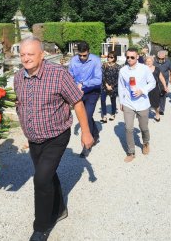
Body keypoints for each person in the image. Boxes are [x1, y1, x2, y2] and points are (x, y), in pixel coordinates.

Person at [14, 37, 94, 241]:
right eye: (22, 54)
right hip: (33, 139)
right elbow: (19, 104)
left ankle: (40, 228)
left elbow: (77, 102)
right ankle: (59, 209)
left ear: (42, 55)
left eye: (31, 54)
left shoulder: (58, 75)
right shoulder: (17, 77)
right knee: (47, 176)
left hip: (56, 136)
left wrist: (85, 132)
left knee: (40, 180)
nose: (26, 58)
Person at [118, 48, 156, 163]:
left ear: (137, 57)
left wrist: (142, 91)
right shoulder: (123, 70)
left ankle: (145, 142)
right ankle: (131, 152)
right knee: (128, 128)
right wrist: (121, 101)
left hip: (143, 103)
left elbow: (152, 83)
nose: (129, 59)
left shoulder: (144, 69)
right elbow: (121, 86)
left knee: (143, 127)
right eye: (127, 57)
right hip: (128, 103)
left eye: (132, 57)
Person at [69, 41, 102, 157]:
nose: (82, 58)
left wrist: (83, 84)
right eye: (80, 55)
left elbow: (98, 80)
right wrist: (75, 87)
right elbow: (70, 76)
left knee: (87, 116)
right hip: (79, 92)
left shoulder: (96, 60)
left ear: (89, 52)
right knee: (86, 115)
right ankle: (96, 134)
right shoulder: (73, 61)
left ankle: (87, 146)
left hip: (93, 92)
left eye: (85, 55)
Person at [145, 56, 168, 122]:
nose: (148, 62)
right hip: (145, 88)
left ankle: (157, 113)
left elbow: (161, 78)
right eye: (147, 61)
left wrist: (165, 86)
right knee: (144, 102)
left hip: (155, 88)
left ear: (153, 62)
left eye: (150, 61)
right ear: (145, 62)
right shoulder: (143, 69)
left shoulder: (157, 69)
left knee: (156, 104)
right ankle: (144, 116)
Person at [100, 51, 121, 123]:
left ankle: (113, 114)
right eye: (108, 56)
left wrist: (111, 86)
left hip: (113, 86)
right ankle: (104, 115)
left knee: (113, 101)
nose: (109, 58)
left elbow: (118, 78)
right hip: (104, 85)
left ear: (114, 58)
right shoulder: (104, 65)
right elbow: (102, 75)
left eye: (111, 57)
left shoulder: (118, 67)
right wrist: (106, 85)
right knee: (102, 100)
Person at [154, 50, 171, 115]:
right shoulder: (154, 61)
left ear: (165, 57)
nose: (160, 59)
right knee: (155, 95)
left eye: (162, 58)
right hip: (155, 81)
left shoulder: (168, 62)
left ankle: (161, 110)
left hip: (164, 81)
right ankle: (156, 107)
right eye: (159, 58)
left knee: (163, 95)